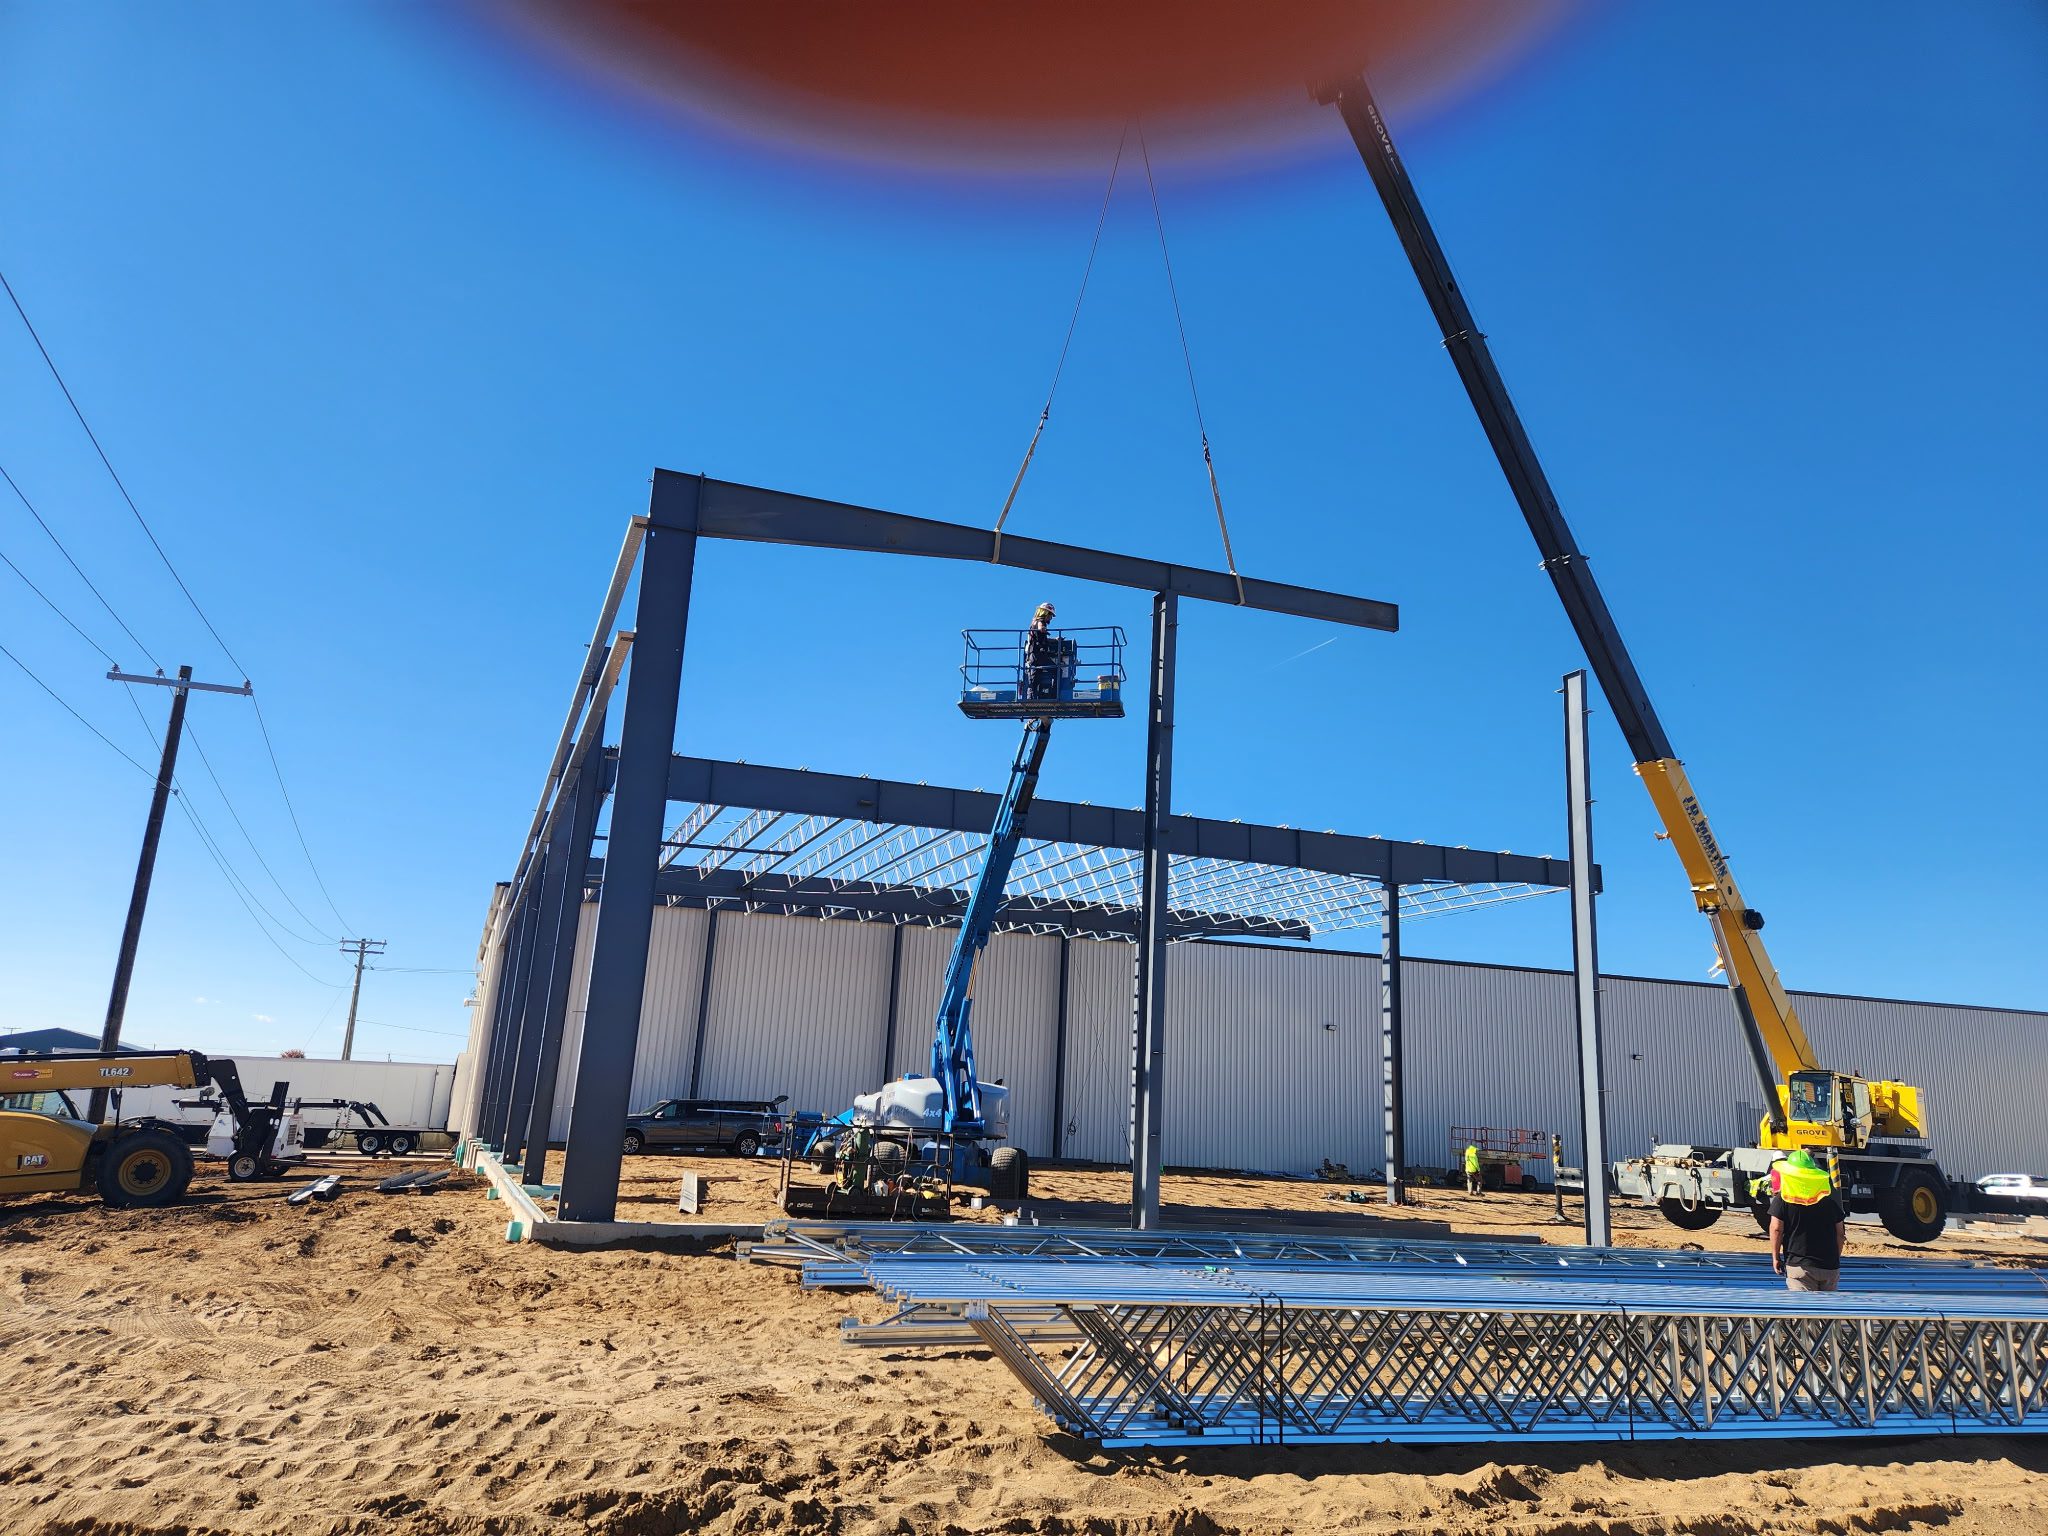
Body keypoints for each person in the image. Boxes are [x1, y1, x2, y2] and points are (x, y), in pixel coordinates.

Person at [1769, 1149, 1847, 1292]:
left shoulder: (1783, 1200)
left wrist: (1775, 1257)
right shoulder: (1829, 1202)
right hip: (1829, 1268)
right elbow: (1840, 1235)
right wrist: (1834, 1258)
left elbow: (1776, 1229)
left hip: (1799, 1266)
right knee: (1828, 1312)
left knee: (1805, 1312)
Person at [1023, 601, 1059, 701]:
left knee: (1034, 678)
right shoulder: (1040, 621)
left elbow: (1039, 638)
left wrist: (1054, 640)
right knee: (1057, 670)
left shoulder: (1033, 622)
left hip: (1032, 655)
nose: (1051, 618)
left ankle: (1031, 700)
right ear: (1045, 613)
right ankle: (1053, 695)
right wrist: (1043, 629)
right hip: (1038, 654)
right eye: (1050, 615)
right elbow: (1040, 628)